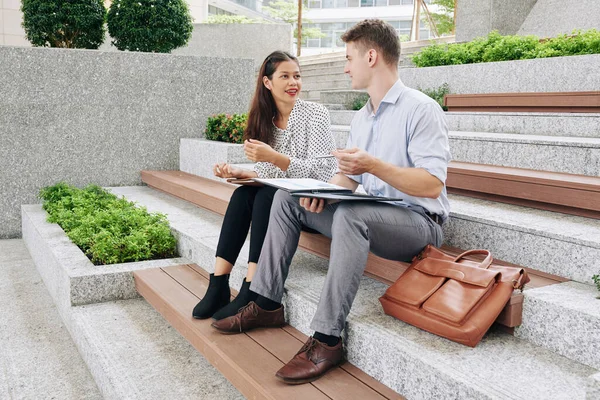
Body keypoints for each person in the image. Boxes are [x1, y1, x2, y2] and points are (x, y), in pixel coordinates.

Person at [211, 20, 451, 384]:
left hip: (418, 222)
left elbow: (432, 185)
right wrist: (321, 192)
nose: (345, 66)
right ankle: (265, 301)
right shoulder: (362, 117)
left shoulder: (421, 109)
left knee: (352, 216)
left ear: (371, 56)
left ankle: (327, 338)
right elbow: (349, 179)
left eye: (349, 57)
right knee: (286, 199)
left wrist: (373, 165)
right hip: (375, 214)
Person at [192, 51, 337, 320]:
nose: (293, 82)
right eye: (285, 76)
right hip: (279, 198)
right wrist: (241, 171)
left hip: (307, 204)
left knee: (266, 196)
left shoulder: (315, 114)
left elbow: (324, 171)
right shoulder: (263, 120)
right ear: (267, 82)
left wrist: (275, 157)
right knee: (243, 194)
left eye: (297, 76)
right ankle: (219, 284)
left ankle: (251, 288)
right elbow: (270, 172)